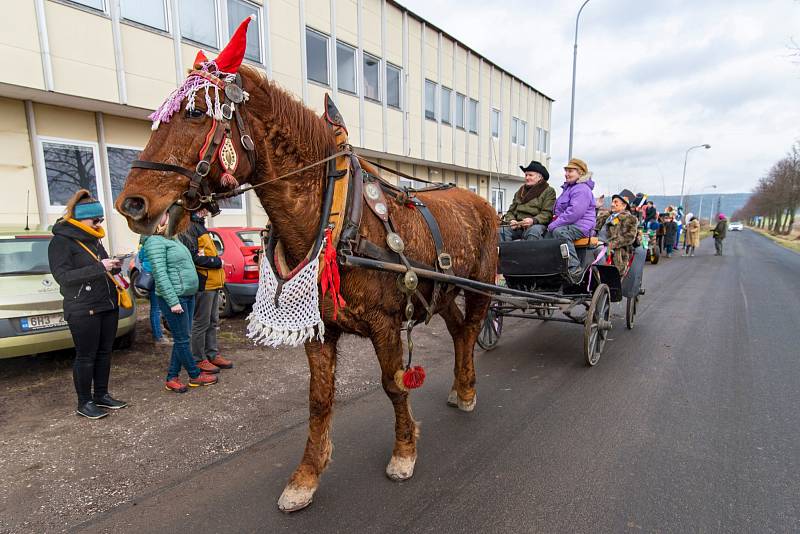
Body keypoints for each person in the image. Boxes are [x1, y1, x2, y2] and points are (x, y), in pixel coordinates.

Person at [48, 189, 128, 419]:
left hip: (106, 304)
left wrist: (114, 265)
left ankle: (101, 395)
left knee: (104, 353)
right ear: (81, 217)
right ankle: (84, 402)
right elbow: (63, 277)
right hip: (83, 308)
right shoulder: (61, 241)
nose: (99, 223)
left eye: (101, 219)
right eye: (96, 219)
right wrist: (100, 267)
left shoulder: (94, 239)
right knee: (86, 356)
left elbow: (101, 266)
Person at [143, 214, 218, 393]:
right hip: (175, 297)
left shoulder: (172, 238)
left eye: (168, 215)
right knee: (183, 340)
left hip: (187, 294)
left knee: (181, 339)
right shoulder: (154, 242)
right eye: (164, 216)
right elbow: (160, 275)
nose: (169, 218)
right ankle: (194, 375)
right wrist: (173, 301)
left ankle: (172, 377)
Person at [178, 211, 234, 373]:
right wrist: (217, 262)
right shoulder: (189, 228)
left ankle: (212, 354)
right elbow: (193, 258)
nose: (206, 212)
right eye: (202, 209)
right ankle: (198, 359)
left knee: (212, 321)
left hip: (214, 283)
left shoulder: (200, 226)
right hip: (204, 284)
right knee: (201, 323)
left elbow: (203, 253)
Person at [545, 158, 597, 280]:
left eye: (570, 171)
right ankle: (549, 270)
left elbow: (574, 213)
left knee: (559, 232)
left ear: (581, 173)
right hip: (569, 224)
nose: (567, 174)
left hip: (581, 226)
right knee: (544, 237)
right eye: (566, 171)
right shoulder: (569, 188)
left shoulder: (582, 189)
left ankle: (574, 268)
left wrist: (554, 225)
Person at [499, 160, 556, 241]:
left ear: (540, 177)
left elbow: (547, 213)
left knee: (533, 232)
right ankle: (506, 253)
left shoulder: (549, 191)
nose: (527, 178)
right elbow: (510, 211)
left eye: (530, 175)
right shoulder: (520, 191)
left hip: (536, 225)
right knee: (501, 231)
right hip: (518, 226)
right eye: (526, 175)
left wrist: (533, 220)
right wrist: (512, 220)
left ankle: (529, 254)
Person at [595, 190, 639, 276]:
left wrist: (610, 245)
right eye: (612, 202)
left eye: (616, 202)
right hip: (596, 243)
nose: (612, 204)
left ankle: (603, 275)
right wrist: (596, 208)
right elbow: (593, 225)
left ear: (624, 205)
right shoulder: (605, 216)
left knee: (599, 250)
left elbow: (629, 237)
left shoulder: (630, 218)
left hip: (615, 250)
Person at [137, 235, 168, 345]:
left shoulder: (143, 245)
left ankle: (159, 330)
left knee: (156, 307)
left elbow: (140, 259)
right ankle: (158, 337)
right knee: (157, 307)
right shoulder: (155, 243)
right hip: (156, 276)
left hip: (149, 276)